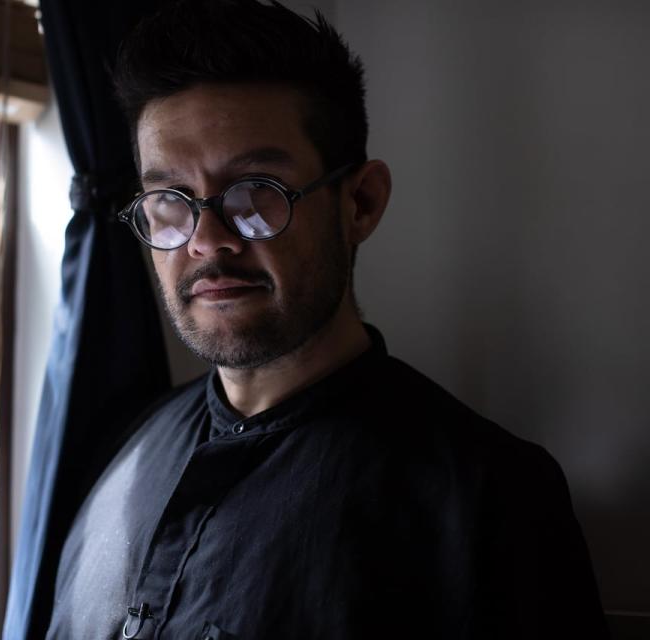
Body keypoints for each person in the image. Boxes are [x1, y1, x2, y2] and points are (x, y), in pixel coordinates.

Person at [47, 1, 608, 638]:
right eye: (169, 200)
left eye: (257, 191)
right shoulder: (125, 452)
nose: (206, 240)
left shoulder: (492, 499)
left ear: (361, 203)